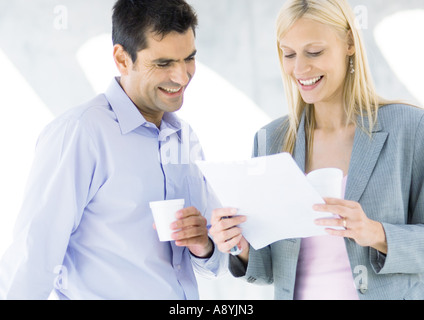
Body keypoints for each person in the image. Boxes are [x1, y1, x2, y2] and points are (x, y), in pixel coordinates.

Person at [0, 0, 226, 300]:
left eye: (189, 58)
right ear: (122, 59)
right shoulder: (81, 133)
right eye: (164, 63)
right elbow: (32, 259)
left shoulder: (185, 138)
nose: (182, 76)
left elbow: (215, 260)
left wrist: (205, 246)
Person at [210, 0, 424, 300]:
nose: (299, 69)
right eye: (289, 54)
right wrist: (239, 246)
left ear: (349, 42)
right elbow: (270, 267)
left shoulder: (410, 128)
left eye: (314, 52)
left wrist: (375, 232)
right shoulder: (270, 141)